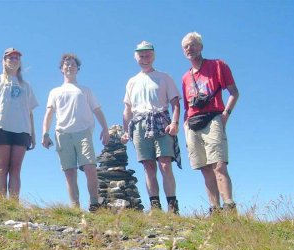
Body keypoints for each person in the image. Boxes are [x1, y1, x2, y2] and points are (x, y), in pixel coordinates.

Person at [42, 53, 110, 212]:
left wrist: (105, 128)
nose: (69, 66)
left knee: (90, 167)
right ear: (61, 69)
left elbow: (97, 110)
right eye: (66, 64)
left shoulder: (85, 90)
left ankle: (94, 203)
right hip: (62, 134)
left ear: (77, 69)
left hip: (83, 132)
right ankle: (75, 207)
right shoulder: (55, 92)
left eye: (72, 64)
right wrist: (45, 133)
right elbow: (49, 113)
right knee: (69, 171)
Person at [180, 32, 239, 214]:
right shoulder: (185, 77)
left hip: (213, 118)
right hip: (192, 123)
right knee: (204, 168)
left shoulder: (218, 65)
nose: (189, 48)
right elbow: (186, 105)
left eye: (193, 44)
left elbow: (234, 92)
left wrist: (225, 115)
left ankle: (229, 206)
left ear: (201, 47)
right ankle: (214, 209)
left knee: (219, 164)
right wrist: (185, 126)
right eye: (186, 46)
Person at [121, 41, 182, 214]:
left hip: (160, 121)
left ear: (153, 56)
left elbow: (176, 103)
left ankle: (172, 206)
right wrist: (126, 131)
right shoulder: (132, 82)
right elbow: (127, 109)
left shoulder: (164, 77)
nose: (144, 58)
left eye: (147, 55)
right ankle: (155, 207)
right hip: (139, 124)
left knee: (165, 164)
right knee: (148, 166)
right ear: (136, 58)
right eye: (141, 55)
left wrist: (175, 123)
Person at [0, 47, 38, 200]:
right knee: (2, 168)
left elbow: (30, 112)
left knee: (16, 169)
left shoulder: (26, 86)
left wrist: (33, 134)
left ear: (20, 62)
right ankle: (2, 203)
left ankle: (13, 204)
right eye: (10, 57)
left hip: (22, 130)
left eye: (17, 58)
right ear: (4, 61)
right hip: (1, 127)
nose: (14, 60)